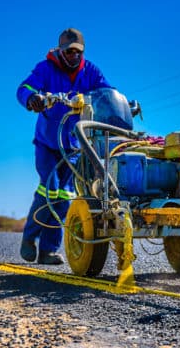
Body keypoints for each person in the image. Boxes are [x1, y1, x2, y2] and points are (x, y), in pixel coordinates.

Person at [16, 28, 113, 265]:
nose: (74, 56)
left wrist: (117, 104)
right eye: (69, 51)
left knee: (65, 197)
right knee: (49, 188)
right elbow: (25, 88)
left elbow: (107, 92)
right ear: (60, 50)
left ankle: (48, 250)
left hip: (74, 145)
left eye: (78, 51)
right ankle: (29, 239)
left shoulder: (91, 71)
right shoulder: (46, 68)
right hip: (48, 143)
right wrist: (32, 98)